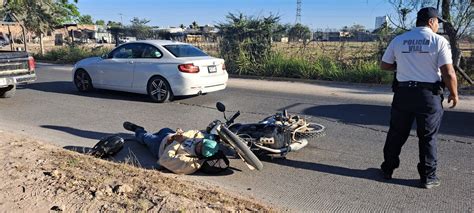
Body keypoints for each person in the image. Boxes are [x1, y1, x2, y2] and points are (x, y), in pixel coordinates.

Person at [379, 7, 458, 189]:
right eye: (438, 22)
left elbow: (385, 65)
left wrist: (403, 67)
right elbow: (448, 72)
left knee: (396, 133)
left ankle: (387, 169)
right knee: (428, 137)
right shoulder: (438, 41)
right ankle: (428, 177)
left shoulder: (399, 40)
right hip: (428, 96)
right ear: (431, 21)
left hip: (403, 94)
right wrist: (454, 93)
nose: (438, 25)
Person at [123, 121, 219, 175]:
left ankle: (137, 129)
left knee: (145, 137)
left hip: (159, 146)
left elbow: (164, 160)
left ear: (200, 150)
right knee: (164, 129)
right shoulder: (201, 141)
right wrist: (180, 136)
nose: (200, 141)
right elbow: (196, 132)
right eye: (202, 141)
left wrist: (177, 141)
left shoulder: (189, 163)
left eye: (201, 144)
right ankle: (150, 135)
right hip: (170, 135)